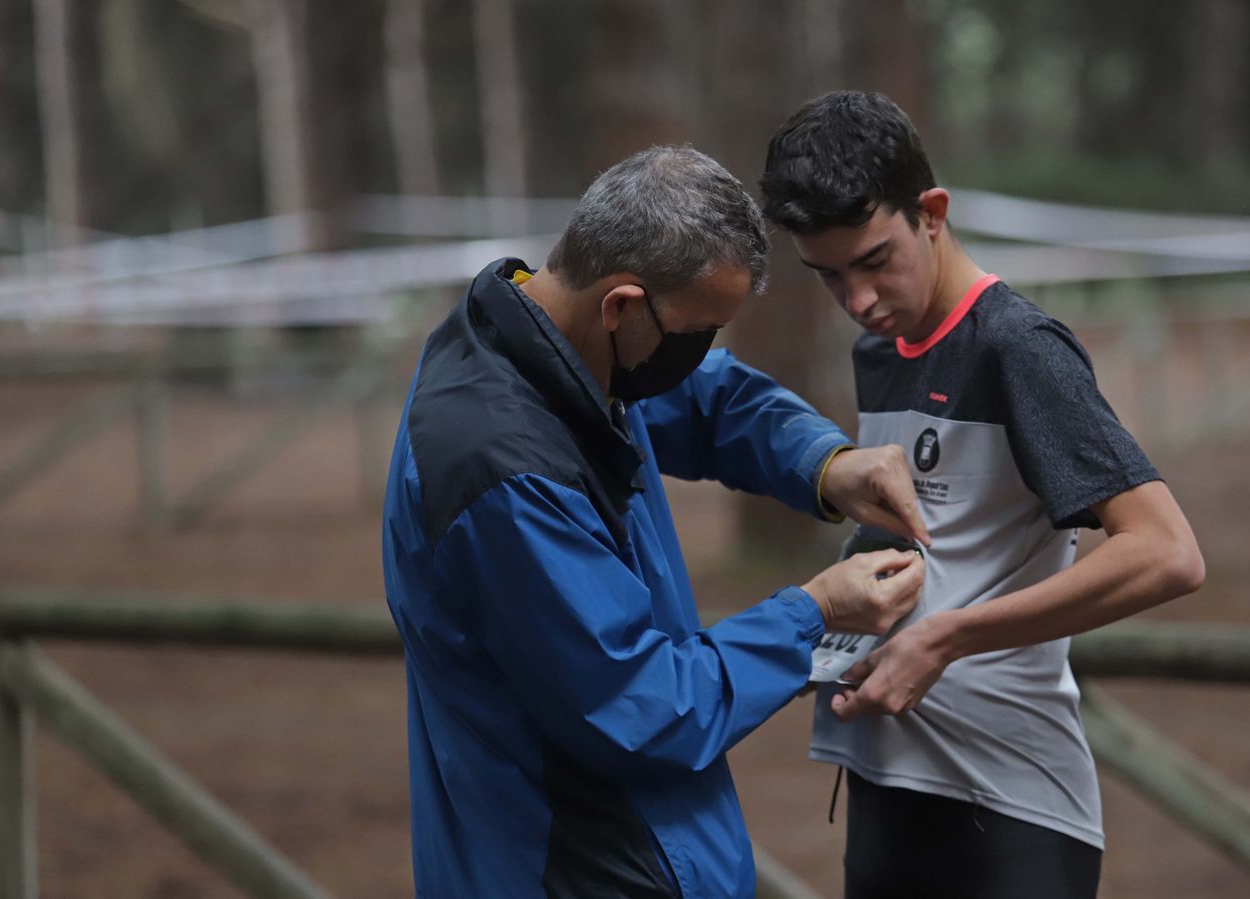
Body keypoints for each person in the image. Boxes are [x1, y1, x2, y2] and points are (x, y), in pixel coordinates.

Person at [381, 145, 929, 898]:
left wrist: (824, 463)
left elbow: (708, 397)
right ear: (622, 304)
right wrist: (814, 613)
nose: (699, 355)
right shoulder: (499, 471)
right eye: (698, 332)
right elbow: (643, 702)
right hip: (570, 871)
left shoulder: (554, 343)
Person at [760, 91, 1207, 899]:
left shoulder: (1017, 347)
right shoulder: (880, 346)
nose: (856, 299)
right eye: (828, 275)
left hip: (1008, 808)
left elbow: (1168, 553)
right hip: (884, 784)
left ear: (932, 212)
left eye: (873, 260)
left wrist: (948, 639)